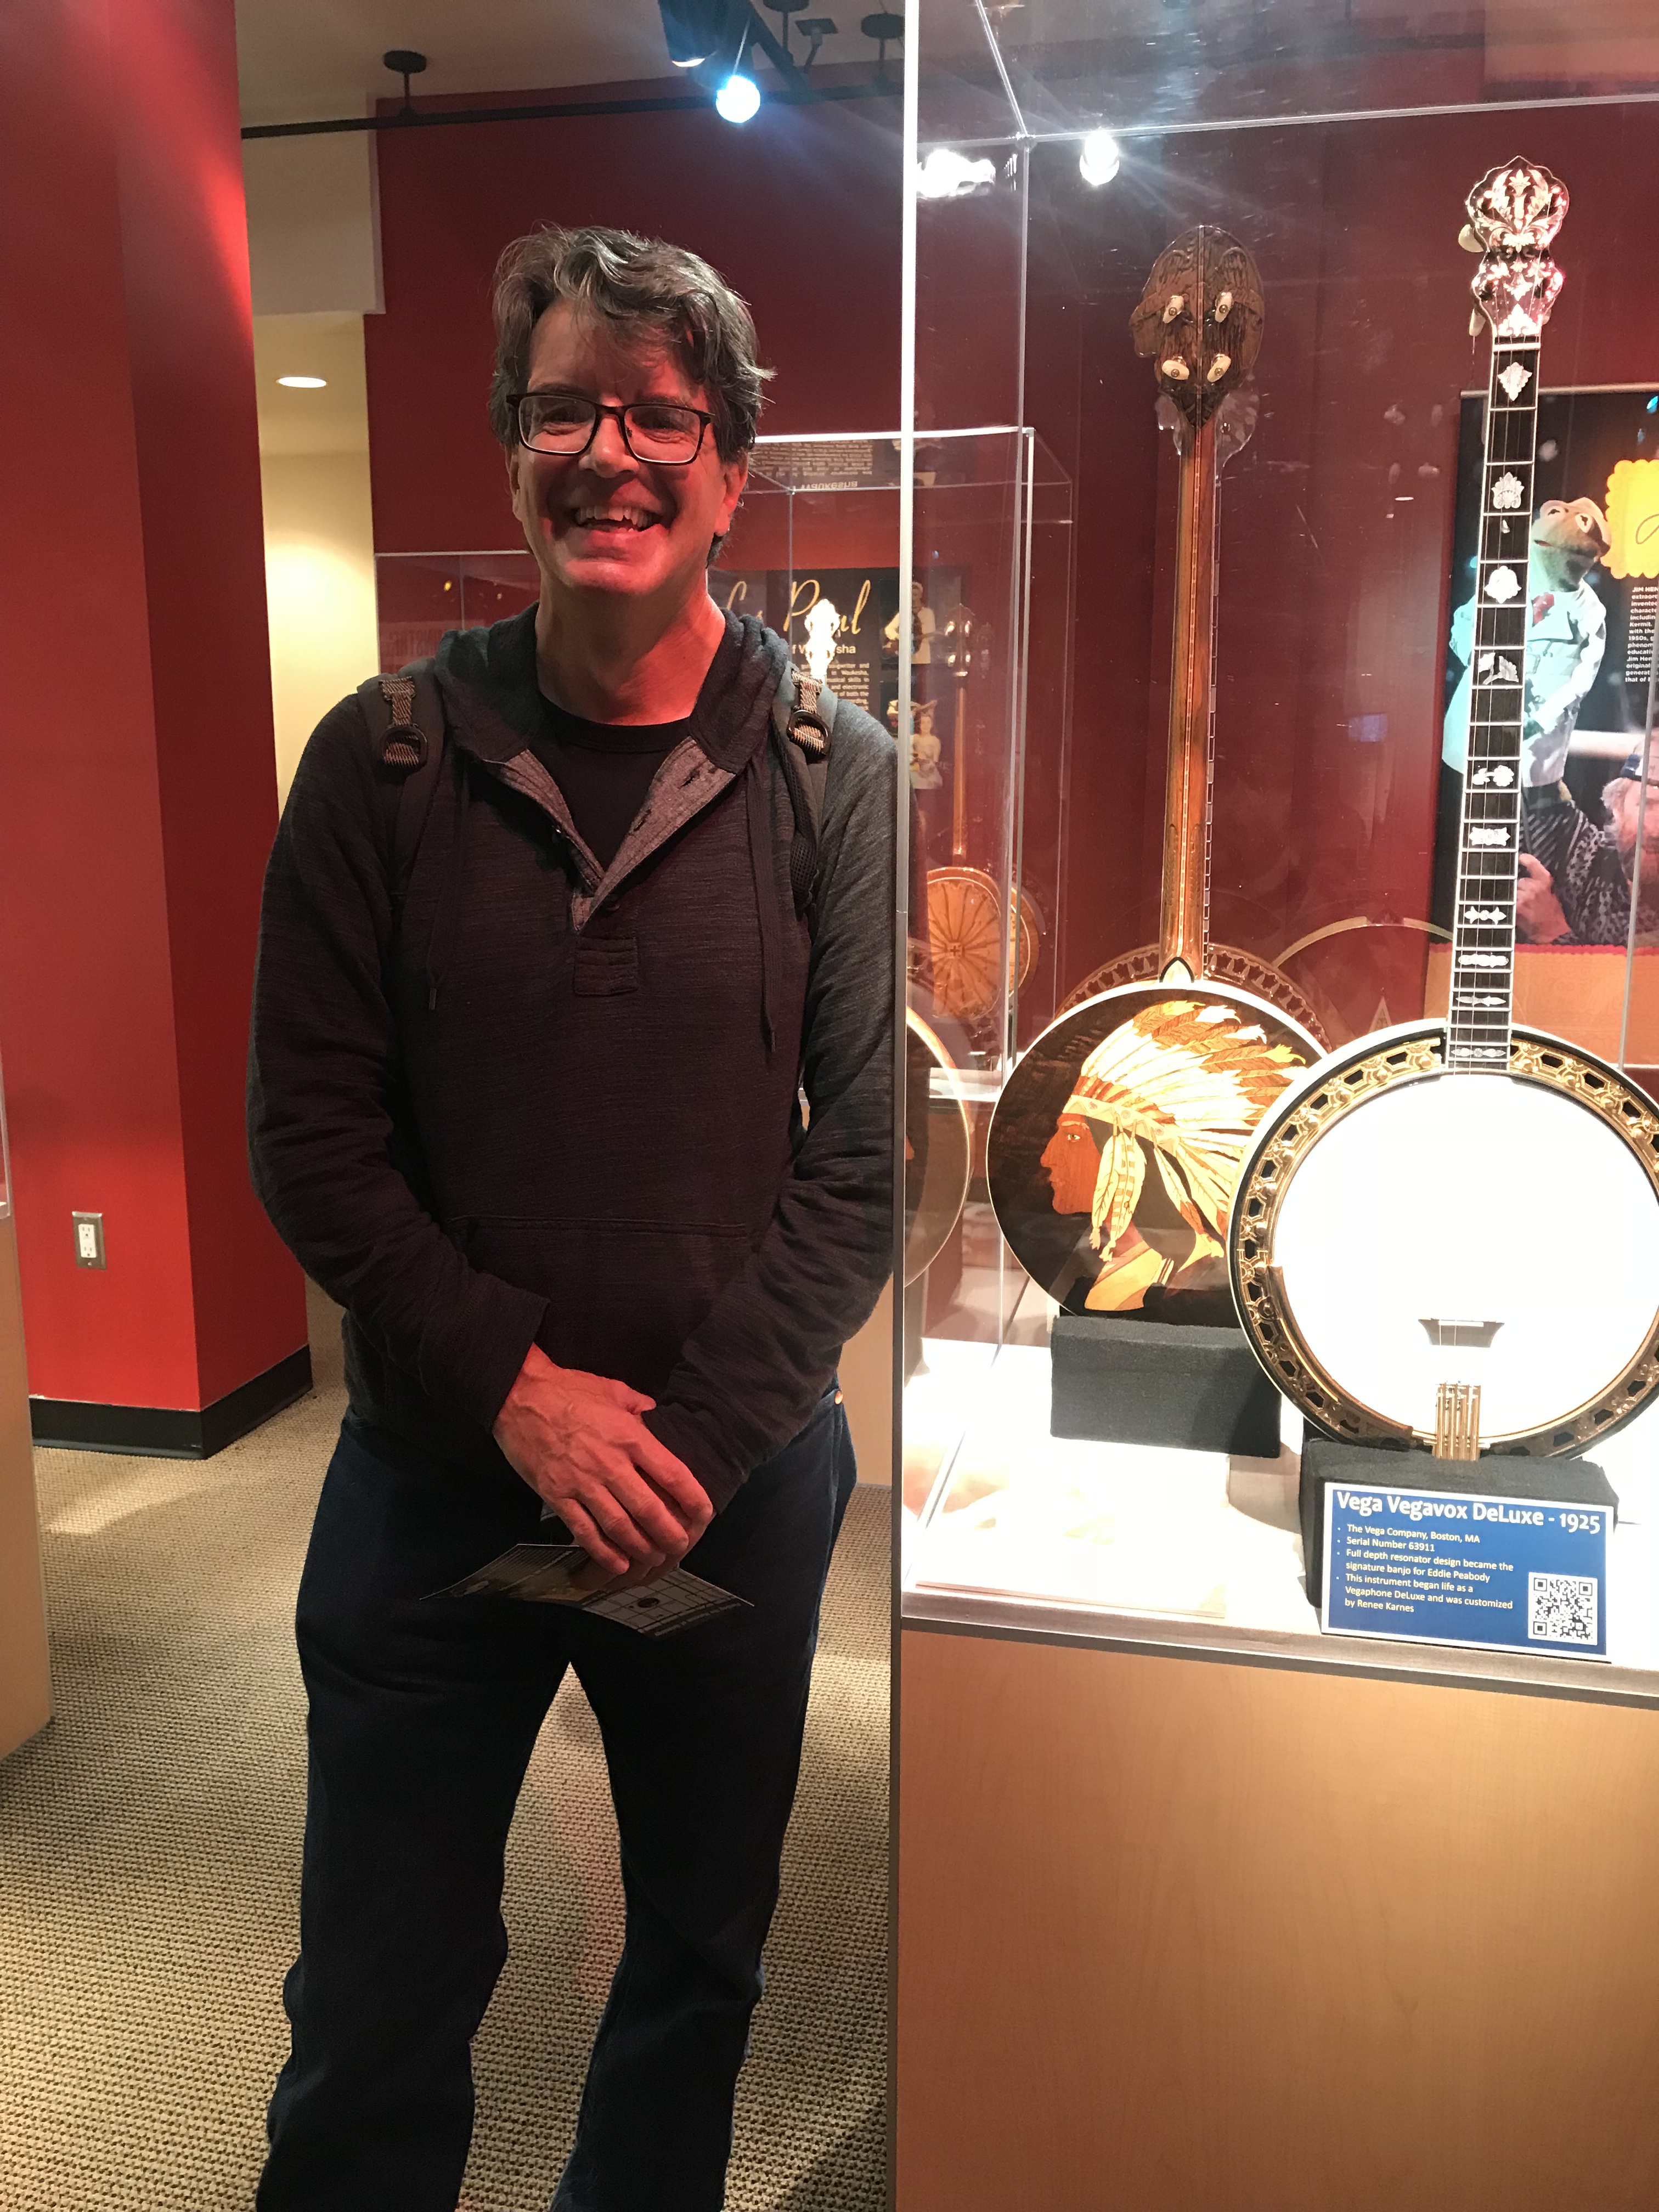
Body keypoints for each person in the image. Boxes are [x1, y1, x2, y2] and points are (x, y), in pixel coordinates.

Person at [246, 224, 894, 2212]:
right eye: (562, 411)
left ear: (730, 468)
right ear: (510, 449)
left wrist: (675, 1449)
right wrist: (521, 1397)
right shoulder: (380, 764)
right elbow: (312, 1140)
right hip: (443, 1488)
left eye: (658, 416)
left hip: (718, 1500)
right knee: (379, 1987)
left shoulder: (833, 773)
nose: (609, 453)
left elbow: (864, 1163)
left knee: (693, 1968)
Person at [1517, 750, 1659, 945]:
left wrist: (1551, 931)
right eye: (1647, 805)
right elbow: (1536, 765)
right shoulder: (1587, 857)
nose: (1656, 830)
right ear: (1618, 809)